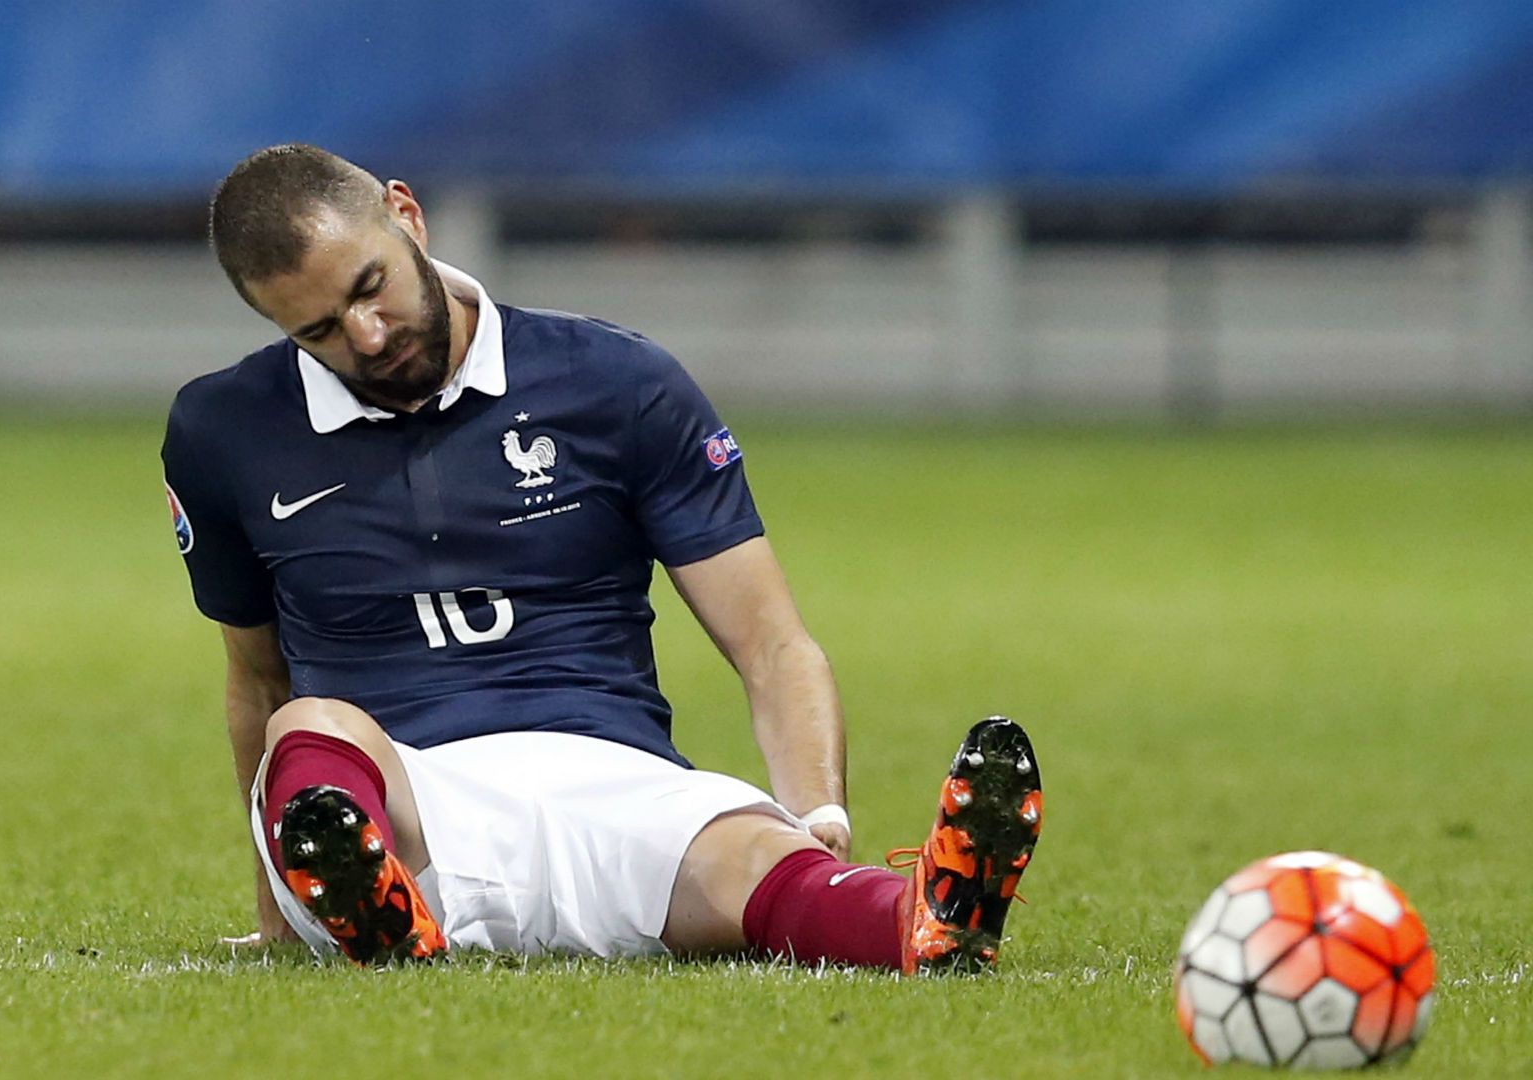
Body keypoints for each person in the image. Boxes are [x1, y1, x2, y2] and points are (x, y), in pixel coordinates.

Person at [161, 143, 1042, 971]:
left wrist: (814, 811)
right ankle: (371, 909)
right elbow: (258, 683)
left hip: (614, 783)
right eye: (319, 330)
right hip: (401, 807)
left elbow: (772, 643)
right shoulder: (223, 430)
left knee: (758, 854)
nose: (368, 336)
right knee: (309, 729)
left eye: (372, 287)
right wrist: (277, 910)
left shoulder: (615, 382)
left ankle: (928, 918)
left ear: (407, 215)